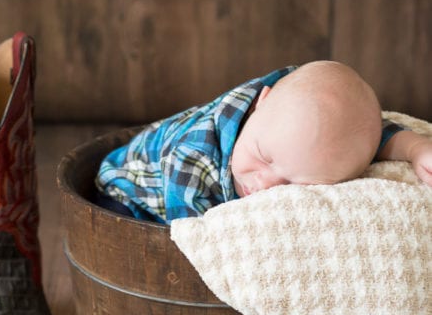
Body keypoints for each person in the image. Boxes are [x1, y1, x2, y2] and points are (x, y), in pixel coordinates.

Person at [96, 61, 432, 224]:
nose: (264, 185)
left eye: (293, 184)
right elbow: (190, 240)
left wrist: (415, 148)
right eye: (264, 156)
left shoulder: (302, 141)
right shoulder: (191, 157)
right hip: (132, 193)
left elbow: (362, 135)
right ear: (261, 102)